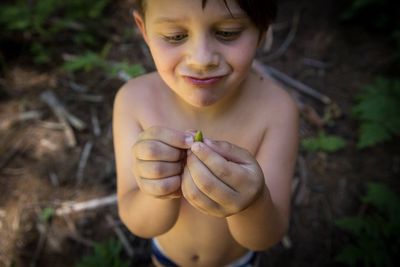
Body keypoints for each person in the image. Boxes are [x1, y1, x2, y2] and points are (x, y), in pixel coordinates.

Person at [113, 0, 299, 266]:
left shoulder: (277, 111)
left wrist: (252, 203)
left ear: (262, 31)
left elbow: (266, 237)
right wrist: (160, 188)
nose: (201, 60)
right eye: (175, 36)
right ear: (144, 30)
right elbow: (140, 224)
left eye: (228, 32)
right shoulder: (134, 102)